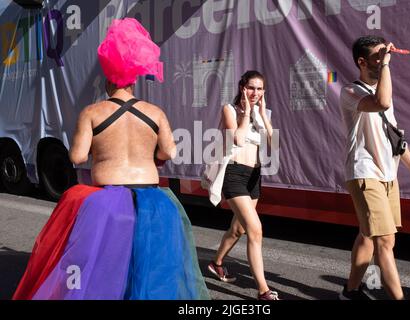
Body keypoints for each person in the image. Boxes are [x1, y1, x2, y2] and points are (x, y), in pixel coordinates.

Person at [13, 18, 210, 300]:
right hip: (154, 203)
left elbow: (77, 156)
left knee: (101, 273)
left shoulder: (92, 112)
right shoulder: (155, 113)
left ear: (108, 78)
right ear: (134, 79)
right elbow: (169, 152)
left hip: (106, 201)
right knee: (150, 274)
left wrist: (100, 148)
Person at [339, 36, 410, 300]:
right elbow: (382, 103)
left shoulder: (384, 91)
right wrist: (387, 66)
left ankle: (350, 291)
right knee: (384, 242)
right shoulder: (350, 91)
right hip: (365, 172)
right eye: (378, 56)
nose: (385, 59)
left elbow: (396, 139)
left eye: (385, 55)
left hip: (388, 174)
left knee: (368, 235)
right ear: (362, 61)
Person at [202, 71, 278, 300]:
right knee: (255, 230)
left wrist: (263, 115)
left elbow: (273, 144)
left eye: (260, 89)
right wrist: (246, 114)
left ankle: (216, 263)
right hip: (234, 174)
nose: (256, 93)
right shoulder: (230, 109)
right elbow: (237, 138)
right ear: (242, 87)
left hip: (254, 175)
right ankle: (263, 291)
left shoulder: (263, 113)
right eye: (251, 88)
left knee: (239, 229)